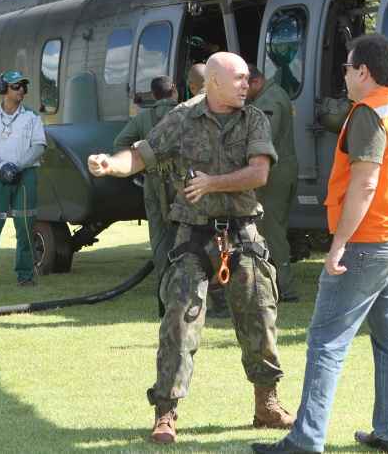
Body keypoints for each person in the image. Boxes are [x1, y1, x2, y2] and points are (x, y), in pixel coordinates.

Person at [88, 52, 294, 444]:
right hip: (195, 236)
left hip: (243, 234)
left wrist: (211, 183)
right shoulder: (183, 118)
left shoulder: (254, 119)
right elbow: (142, 153)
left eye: (248, 78)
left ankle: (266, 404)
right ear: (213, 81)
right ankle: (165, 413)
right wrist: (111, 164)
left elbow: (259, 172)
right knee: (179, 322)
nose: (245, 85)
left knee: (260, 317)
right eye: (237, 78)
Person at [252, 35, 388, 454]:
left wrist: (338, 246)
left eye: (347, 68)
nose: (345, 76)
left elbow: (365, 183)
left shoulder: (369, 114)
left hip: (368, 243)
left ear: (363, 72)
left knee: (326, 342)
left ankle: (306, 438)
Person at [0, 70, 47, 289]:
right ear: (3, 89)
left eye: (24, 86)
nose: (22, 90)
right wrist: (1, 166)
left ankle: (25, 275)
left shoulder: (32, 117)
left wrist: (18, 166)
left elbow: (39, 146)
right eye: (16, 86)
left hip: (26, 177)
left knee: (25, 228)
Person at [113, 75, 179, 285]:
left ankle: (163, 282)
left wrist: (140, 165)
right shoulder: (186, 113)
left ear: (153, 95)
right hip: (183, 182)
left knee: (159, 234)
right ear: (174, 90)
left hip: (153, 181)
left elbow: (120, 143)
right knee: (187, 230)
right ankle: (186, 280)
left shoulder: (143, 118)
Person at [248, 64, 300, 302]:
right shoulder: (275, 93)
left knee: (272, 231)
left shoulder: (267, 101)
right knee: (274, 229)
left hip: (273, 174)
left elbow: (263, 140)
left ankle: (284, 288)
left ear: (255, 82)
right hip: (281, 171)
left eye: (243, 85)